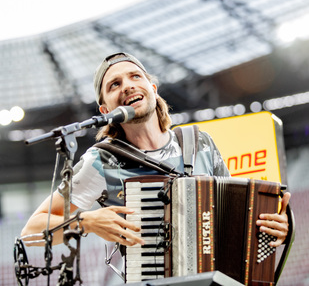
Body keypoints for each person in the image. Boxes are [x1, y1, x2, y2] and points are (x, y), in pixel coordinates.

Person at [21, 52, 290, 283]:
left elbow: (237, 219)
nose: (127, 85)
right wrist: (86, 221)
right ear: (105, 109)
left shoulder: (201, 143)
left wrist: (272, 228)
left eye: (135, 76)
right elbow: (30, 234)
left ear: (152, 88)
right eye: (114, 84)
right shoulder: (102, 161)